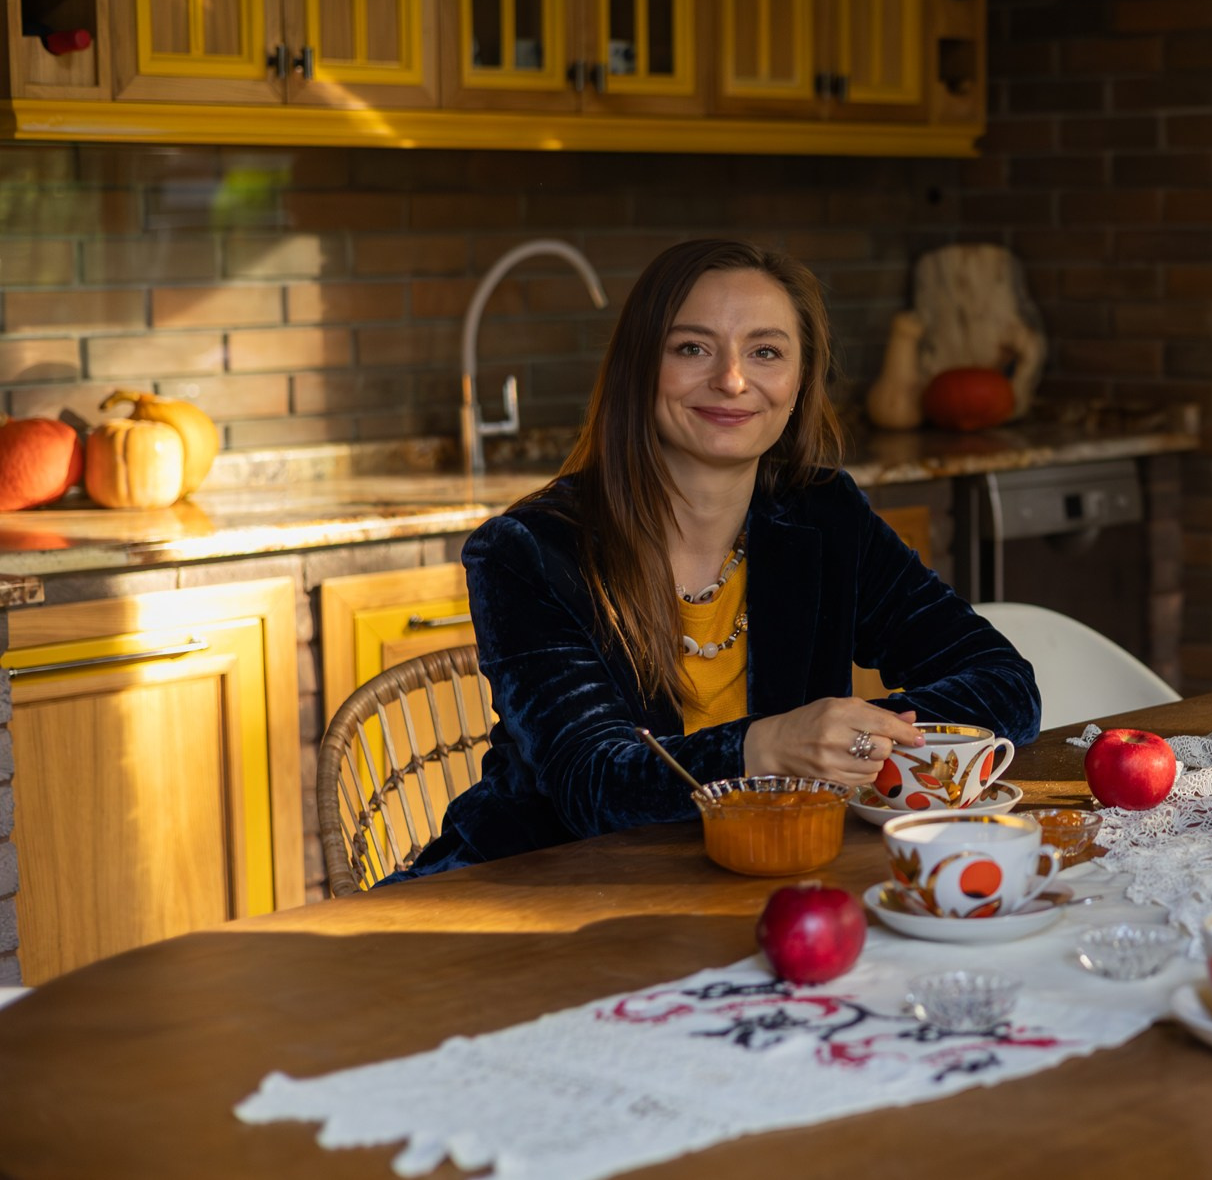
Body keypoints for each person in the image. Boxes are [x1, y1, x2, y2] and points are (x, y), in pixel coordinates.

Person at [391, 239, 1039, 879]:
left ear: (800, 377)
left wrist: (858, 737)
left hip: (758, 878)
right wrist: (770, 746)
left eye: (765, 351)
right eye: (692, 348)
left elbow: (1003, 682)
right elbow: (592, 786)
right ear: (639, 366)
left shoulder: (824, 516)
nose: (732, 380)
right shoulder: (531, 551)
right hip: (531, 896)